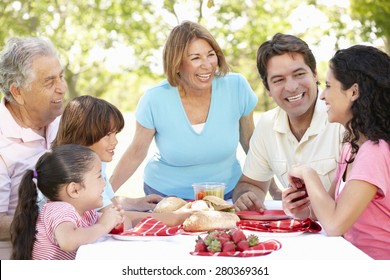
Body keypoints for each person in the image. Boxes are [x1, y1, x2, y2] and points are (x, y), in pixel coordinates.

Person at [110, 20, 258, 200]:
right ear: (177, 64)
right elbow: (136, 152)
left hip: (226, 193)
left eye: (211, 55)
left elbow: (251, 143)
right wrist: (104, 196)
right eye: (195, 58)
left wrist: (270, 188)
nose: (207, 64)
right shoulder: (154, 99)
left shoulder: (237, 87)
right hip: (167, 196)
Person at [283, 45, 390, 260]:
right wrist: (302, 208)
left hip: (377, 267)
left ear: (353, 92)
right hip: (352, 258)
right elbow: (329, 211)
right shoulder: (352, 145)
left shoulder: (375, 151)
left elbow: (334, 224)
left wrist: (308, 173)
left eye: (329, 86)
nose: (322, 96)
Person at [233, 33, 344, 211]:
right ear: (268, 88)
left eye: (299, 74)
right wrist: (246, 197)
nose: (292, 87)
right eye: (278, 80)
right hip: (301, 233)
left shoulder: (344, 119)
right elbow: (251, 183)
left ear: (315, 74)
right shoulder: (267, 124)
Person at [0, 37, 66, 259]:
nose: (62, 89)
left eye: (62, 77)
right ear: (17, 92)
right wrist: (56, 223)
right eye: (49, 82)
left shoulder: (62, 124)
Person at [10, 144, 127, 260]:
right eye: (99, 176)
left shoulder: (87, 213)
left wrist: (116, 221)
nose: (104, 183)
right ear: (74, 190)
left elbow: (108, 226)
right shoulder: (59, 209)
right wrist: (104, 225)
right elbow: (68, 241)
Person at [51, 95, 162, 212]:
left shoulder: (98, 163)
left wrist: (137, 203)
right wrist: (170, 218)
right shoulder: (76, 173)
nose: (115, 141)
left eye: (115, 134)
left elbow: (111, 202)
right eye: (108, 134)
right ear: (83, 135)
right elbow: (110, 215)